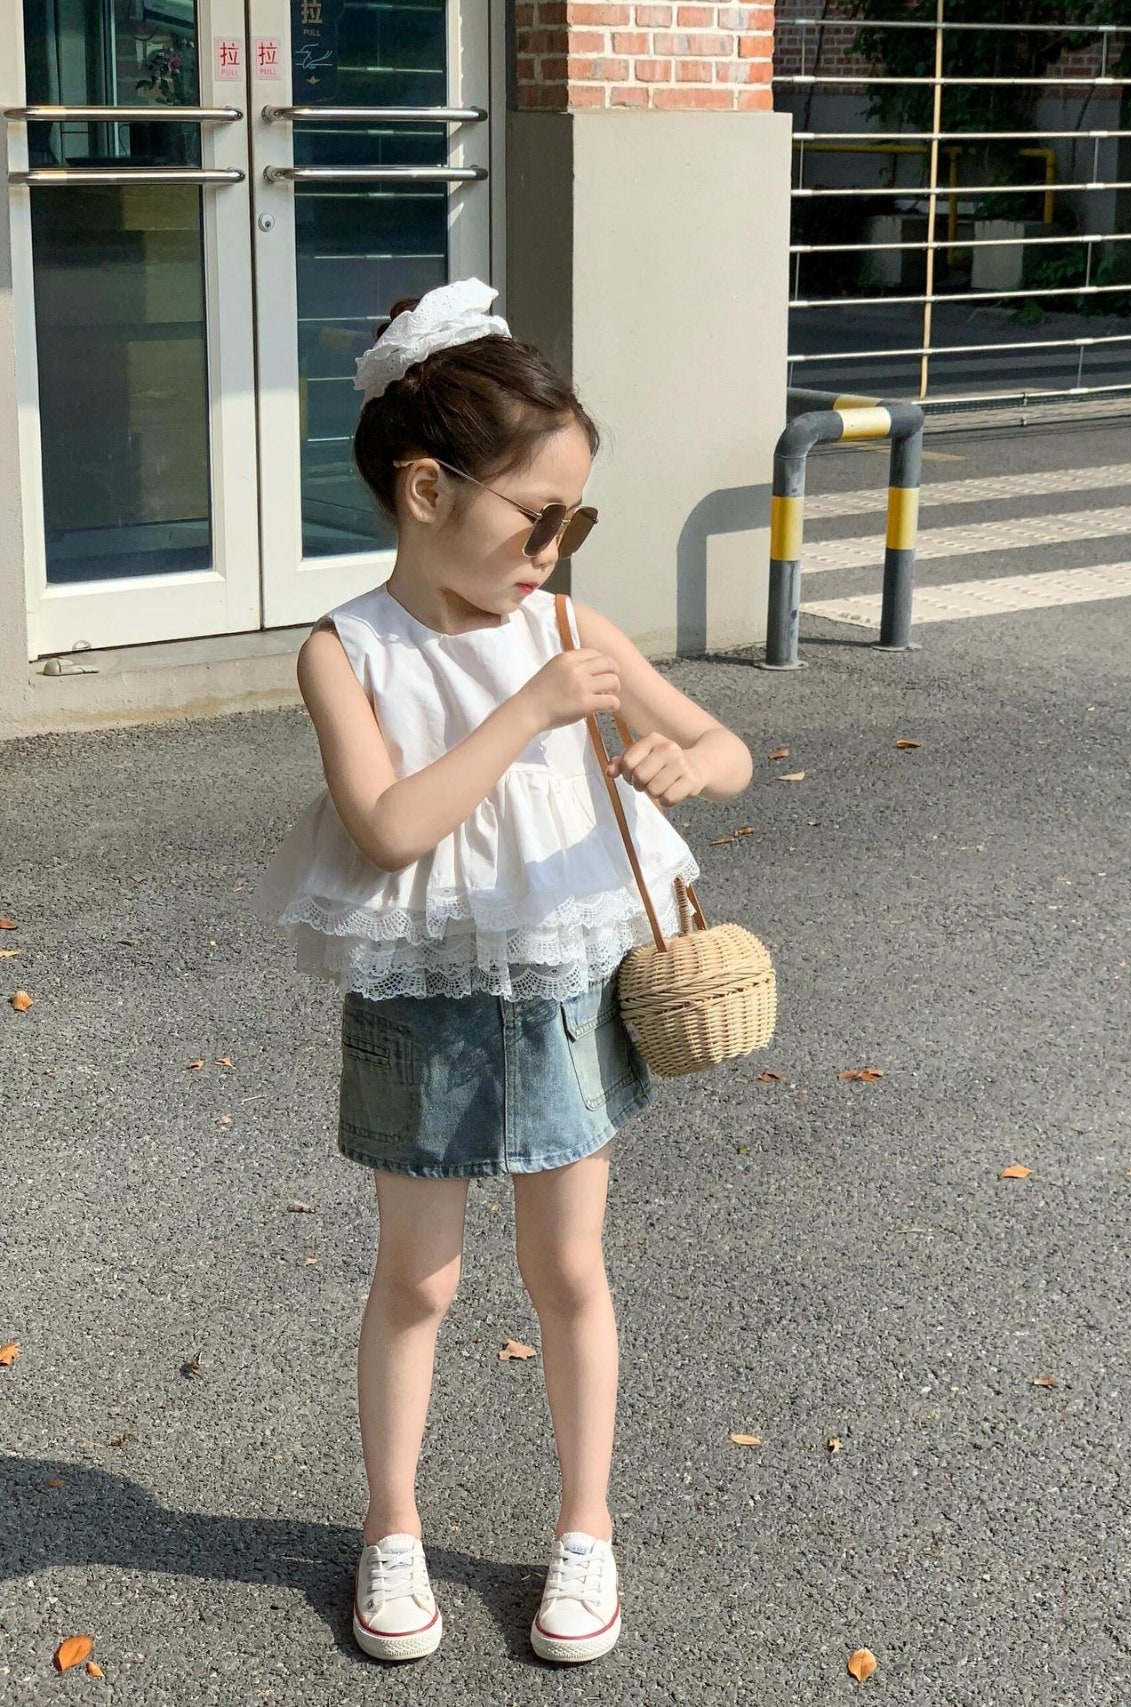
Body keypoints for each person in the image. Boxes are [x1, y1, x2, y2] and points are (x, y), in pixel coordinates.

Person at [253, 279, 754, 1667]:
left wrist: (686, 761)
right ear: (427, 490)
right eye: (541, 517)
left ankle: (586, 1528)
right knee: (418, 1280)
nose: (556, 549)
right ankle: (392, 1527)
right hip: (419, 989)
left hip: (565, 982)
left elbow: (726, 747)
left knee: (569, 1269)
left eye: (575, 523)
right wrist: (529, 710)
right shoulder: (347, 651)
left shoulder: (574, 632)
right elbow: (389, 825)